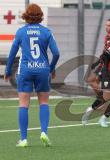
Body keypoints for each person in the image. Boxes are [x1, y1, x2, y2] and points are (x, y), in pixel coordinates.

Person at [4, 4, 60, 147]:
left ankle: (23, 139)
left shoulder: (21, 32)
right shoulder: (47, 32)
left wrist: (8, 70)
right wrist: (51, 68)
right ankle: (44, 133)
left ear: (26, 15)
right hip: (42, 70)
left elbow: (12, 53)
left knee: (23, 104)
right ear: (40, 15)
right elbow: (56, 53)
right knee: (44, 103)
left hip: (26, 70)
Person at [86, 16, 110, 99]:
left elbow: (108, 53)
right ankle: (102, 98)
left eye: (109, 25)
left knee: (91, 80)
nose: (106, 27)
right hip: (103, 63)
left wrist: (97, 63)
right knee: (93, 81)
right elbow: (104, 52)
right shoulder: (107, 37)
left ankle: (103, 98)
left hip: (108, 65)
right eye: (106, 25)